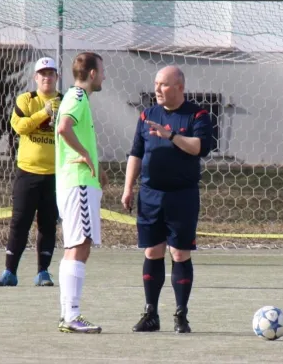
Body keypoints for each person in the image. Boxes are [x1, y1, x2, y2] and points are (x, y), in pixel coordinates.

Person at [122, 65, 213, 334]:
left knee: (180, 253)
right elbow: (135, 153)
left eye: (164, 84)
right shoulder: (147, 114)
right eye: (156, 84)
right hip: (149, 195)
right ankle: (151, 313)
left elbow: (199, 147)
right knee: (152, 251)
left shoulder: (197, 114)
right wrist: (128, 188)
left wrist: (170, 135)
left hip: (182, 196)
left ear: (180, 88)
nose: (157, 89)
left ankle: (181, 315)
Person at [0, 57, 62, 287]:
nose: (47, 77)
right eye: (42, 73)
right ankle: (9, 272)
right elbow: (20, 127)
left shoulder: (65, 101)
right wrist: (44, 113)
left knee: (48, 224)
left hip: (54, 175)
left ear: (57, 77)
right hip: (27, 172)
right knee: (20, 222)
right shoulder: (26, 99)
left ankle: (43, 272)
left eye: (51, 73)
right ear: (35, 78)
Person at [56, 52, 107, 333]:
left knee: (74, 247)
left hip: (75, 182)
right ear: (91, 74)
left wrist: (95, 163)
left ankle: (67, 313)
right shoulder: (76, 97)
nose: (104, 76)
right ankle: (72, 316)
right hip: (78, 183)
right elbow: (64, 128)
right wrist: (86, 154)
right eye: (101, 71)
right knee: (80, 246)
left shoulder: (76, 98)